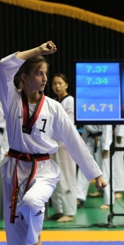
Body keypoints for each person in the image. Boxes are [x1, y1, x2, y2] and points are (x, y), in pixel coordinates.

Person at [0, 41, 107, 245]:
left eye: (46, 74)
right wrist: (36, 51)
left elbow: (73, 141)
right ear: (23, 77)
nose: (45, 79)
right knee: (14, 244)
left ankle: (37, 240)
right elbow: (3, 65)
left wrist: (95, 174)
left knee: (33, 203)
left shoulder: (54, 108)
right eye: (39, 73)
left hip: (43, 169)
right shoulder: (11, 97)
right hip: (14, 170)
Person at [48, 73, 77, 222]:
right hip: (53, 144)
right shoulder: (53, 102)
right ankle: (59, 210)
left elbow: (68, 125)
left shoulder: (70, 101)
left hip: (65, 145)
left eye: (60, 83)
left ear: (66, 84)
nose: (57, 86)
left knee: (67, 177)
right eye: (54, 84)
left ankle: (70, 211)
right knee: (55, 178)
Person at [76, 124, 113, 209]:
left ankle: (109, 201)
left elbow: (107, 126)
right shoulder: (86, 111)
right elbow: (85, 127)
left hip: (101, 139)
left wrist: (106, 147)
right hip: (89, 140)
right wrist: (82, 144)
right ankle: (79, 197)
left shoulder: (103, 110)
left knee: (105, 170)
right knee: (84, 168)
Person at [113, 124, 124, 199]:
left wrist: (119, 134)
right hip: (109, 135)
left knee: (117, 162)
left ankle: (119, 189)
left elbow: (123, 121)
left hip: (119, 136)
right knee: (107, 163)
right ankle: (104, 189)